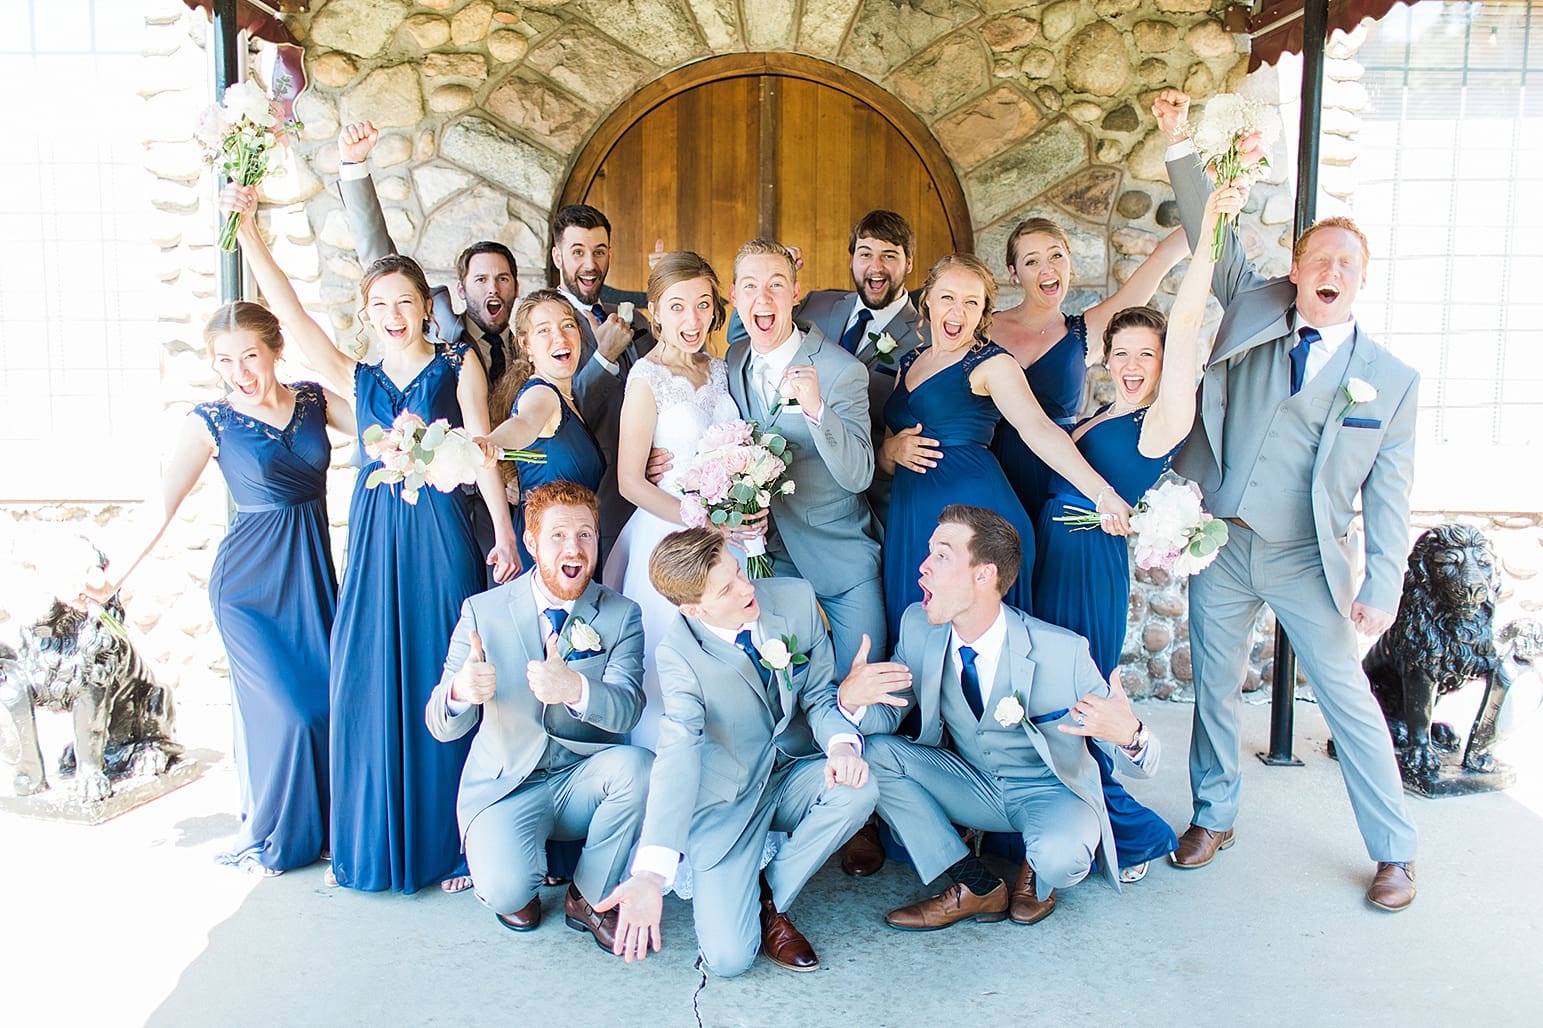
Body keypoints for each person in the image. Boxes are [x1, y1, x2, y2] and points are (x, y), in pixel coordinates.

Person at [1154, 88, 1420, 911]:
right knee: (1213, 685)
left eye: (1346, 265)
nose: (1329, 274)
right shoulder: (1253, 304)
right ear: (1295, 270)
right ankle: (1212, 814)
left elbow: (1389, 496)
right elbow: (1209, 233)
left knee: (1346, 696)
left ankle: (1393, 851)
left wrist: (1382, 582)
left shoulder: (1393, 381)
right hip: (1223, 539)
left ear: (1361, 282)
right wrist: (1179, 143)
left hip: (1308, 554)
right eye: (1318, 261)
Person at [226, 185, 518, 894]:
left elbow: (481, 449)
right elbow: (289, 316)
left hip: (441, 534)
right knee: (371, 675)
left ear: (426, 305)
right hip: (377, 536)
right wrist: (249, 232)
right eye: (379, 305)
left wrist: (504, 534)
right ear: (366, 314)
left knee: (443, 671)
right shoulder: (353, 377)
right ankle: (376, 835)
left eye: (404, 302)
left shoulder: (456, 365)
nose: (393, 316)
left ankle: (454, 842)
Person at [82, 302, 352, 876]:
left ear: (276, 350)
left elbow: (387, 433)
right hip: (247, 590)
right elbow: (163, 501)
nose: (239, 372)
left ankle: (328, 828)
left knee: (330, 702)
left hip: (310, 576)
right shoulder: (211, 420)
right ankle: (277, 832)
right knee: (291, 712)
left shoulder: (312, 401)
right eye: (224, 361)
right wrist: (113, 576)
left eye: (249, 356)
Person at [1030, 187, 1239, 881]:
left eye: (1145, 355)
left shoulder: (1158, 425)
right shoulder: (1094, 415)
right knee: (1048, 698)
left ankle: (1130, 832)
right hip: (1048, 563)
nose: (1130, 364)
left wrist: (1205, 230)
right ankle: (1054, 820)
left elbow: (1185, 324)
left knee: (1077, 702)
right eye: (1121, 351)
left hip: (1089, 566)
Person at [844, 506, 1158, 930]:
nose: (922, 567)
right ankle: (974, 884)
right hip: (974, 787)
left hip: (1049, 793)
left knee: (1061, 860)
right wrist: (853, 701)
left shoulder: (1061, 653)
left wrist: (1131, 735)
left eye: (941, 555)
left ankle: (1037, 865)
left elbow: (1146, 761)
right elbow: (887, 713)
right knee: (877, 753)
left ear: (983, 575)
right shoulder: (918, 627)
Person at [596, 528, 877, 976]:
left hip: (792, 772)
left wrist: (842, 745)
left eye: (738, 572)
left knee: (857, 790)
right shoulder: (678, 655)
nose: (747, 588)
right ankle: (752, 909)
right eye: (727, 589)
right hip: (729, 798)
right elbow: (678, 751)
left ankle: (771, 895)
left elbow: (820, 696)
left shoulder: (796, 599)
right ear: (692, 608)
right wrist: (650, 871)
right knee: (728, 961)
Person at [426, 482, 650, 949]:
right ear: (530, 542)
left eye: (586, 535)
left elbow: (628, 708)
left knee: (640, 769)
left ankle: (587, 897)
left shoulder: (622, 614)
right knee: (507, 891)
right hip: (505, 784)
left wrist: (575, 688)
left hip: (580, 779)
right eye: (559, 536)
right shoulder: (481, 612)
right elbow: (439, 725)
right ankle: (515, 878)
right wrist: (461, 692)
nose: (574, 548)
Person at [878, 254, 1132, 642]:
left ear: (983, 312)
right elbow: (887, 449)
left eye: (971, 302)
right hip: (912, 511)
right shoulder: (910, 360)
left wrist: (1102, 493)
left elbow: (1038, 428)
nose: (957, 311)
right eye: (947, 297)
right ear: (927, 298)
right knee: (914, 633)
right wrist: (890, 451)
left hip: (973, 519)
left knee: (970, 643)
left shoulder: (991, 364)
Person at [337, 120, 523, 578]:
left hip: (508, 511)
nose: (492, 288)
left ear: (517, 286)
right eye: (481, 279)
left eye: (502, 278)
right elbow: (380, 259)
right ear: (459, 290)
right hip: (436, 509)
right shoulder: (442, 340)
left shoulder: (531, 346)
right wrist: (354, 167)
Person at [600, 251, 741, 751]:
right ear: (655, 310)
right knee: (669, 665)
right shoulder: (645, 377)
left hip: (727, 535)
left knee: (727, 662)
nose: (693, 319)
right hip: (672, 536)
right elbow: (630, 482)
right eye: (678, 306)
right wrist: (694, 519)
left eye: (703, 305)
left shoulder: (722, 370)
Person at [724, 238, 885, 672]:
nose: (763, 298)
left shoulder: (841, 370)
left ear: (796, 294)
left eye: (776, 285)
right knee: (786, 694)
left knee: (865, 696)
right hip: (768, 564)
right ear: (734, 295)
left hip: (841, 562)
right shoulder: (734, 359)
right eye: (751, 286)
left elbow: (859, 476)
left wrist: (817, 410)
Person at [725, 211, 926, 521]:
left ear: (909, 263)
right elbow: (749, 337)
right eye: (865, 254)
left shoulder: (923, 338)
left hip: (877, 494)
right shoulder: (820, 303)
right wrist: (772, 273)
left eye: (889, 255)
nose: (876, 266)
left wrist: (886, 453)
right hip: (799, 501)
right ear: (852, 260)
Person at [990, 218, 1189, 520]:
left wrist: (1216, 202)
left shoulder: (1086, 332)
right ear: (1014, 274)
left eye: (1056, 255)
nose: (1048, 269)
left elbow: (1162, 259)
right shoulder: (985, 328)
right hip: (992, 470)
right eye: (1032, 261)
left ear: (1070, 262)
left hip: (1060, 473)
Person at [553, 203, 657, 557]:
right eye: (578, 252)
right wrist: (603, 358)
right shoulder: (543, 322)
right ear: (557, 256)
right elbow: (557, 415)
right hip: (586, 498)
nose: (590, 264)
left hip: (646, 495)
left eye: (599, 252)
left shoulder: (634, 320)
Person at [481, 291, 605, 570]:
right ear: (526, 346)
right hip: (549, 549)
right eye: (544, 330)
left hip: (572, 543)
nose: (560, 338)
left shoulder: (567, 400)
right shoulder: (542, 395)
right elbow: (525, 424)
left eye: (567, 325)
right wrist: (490, 444)